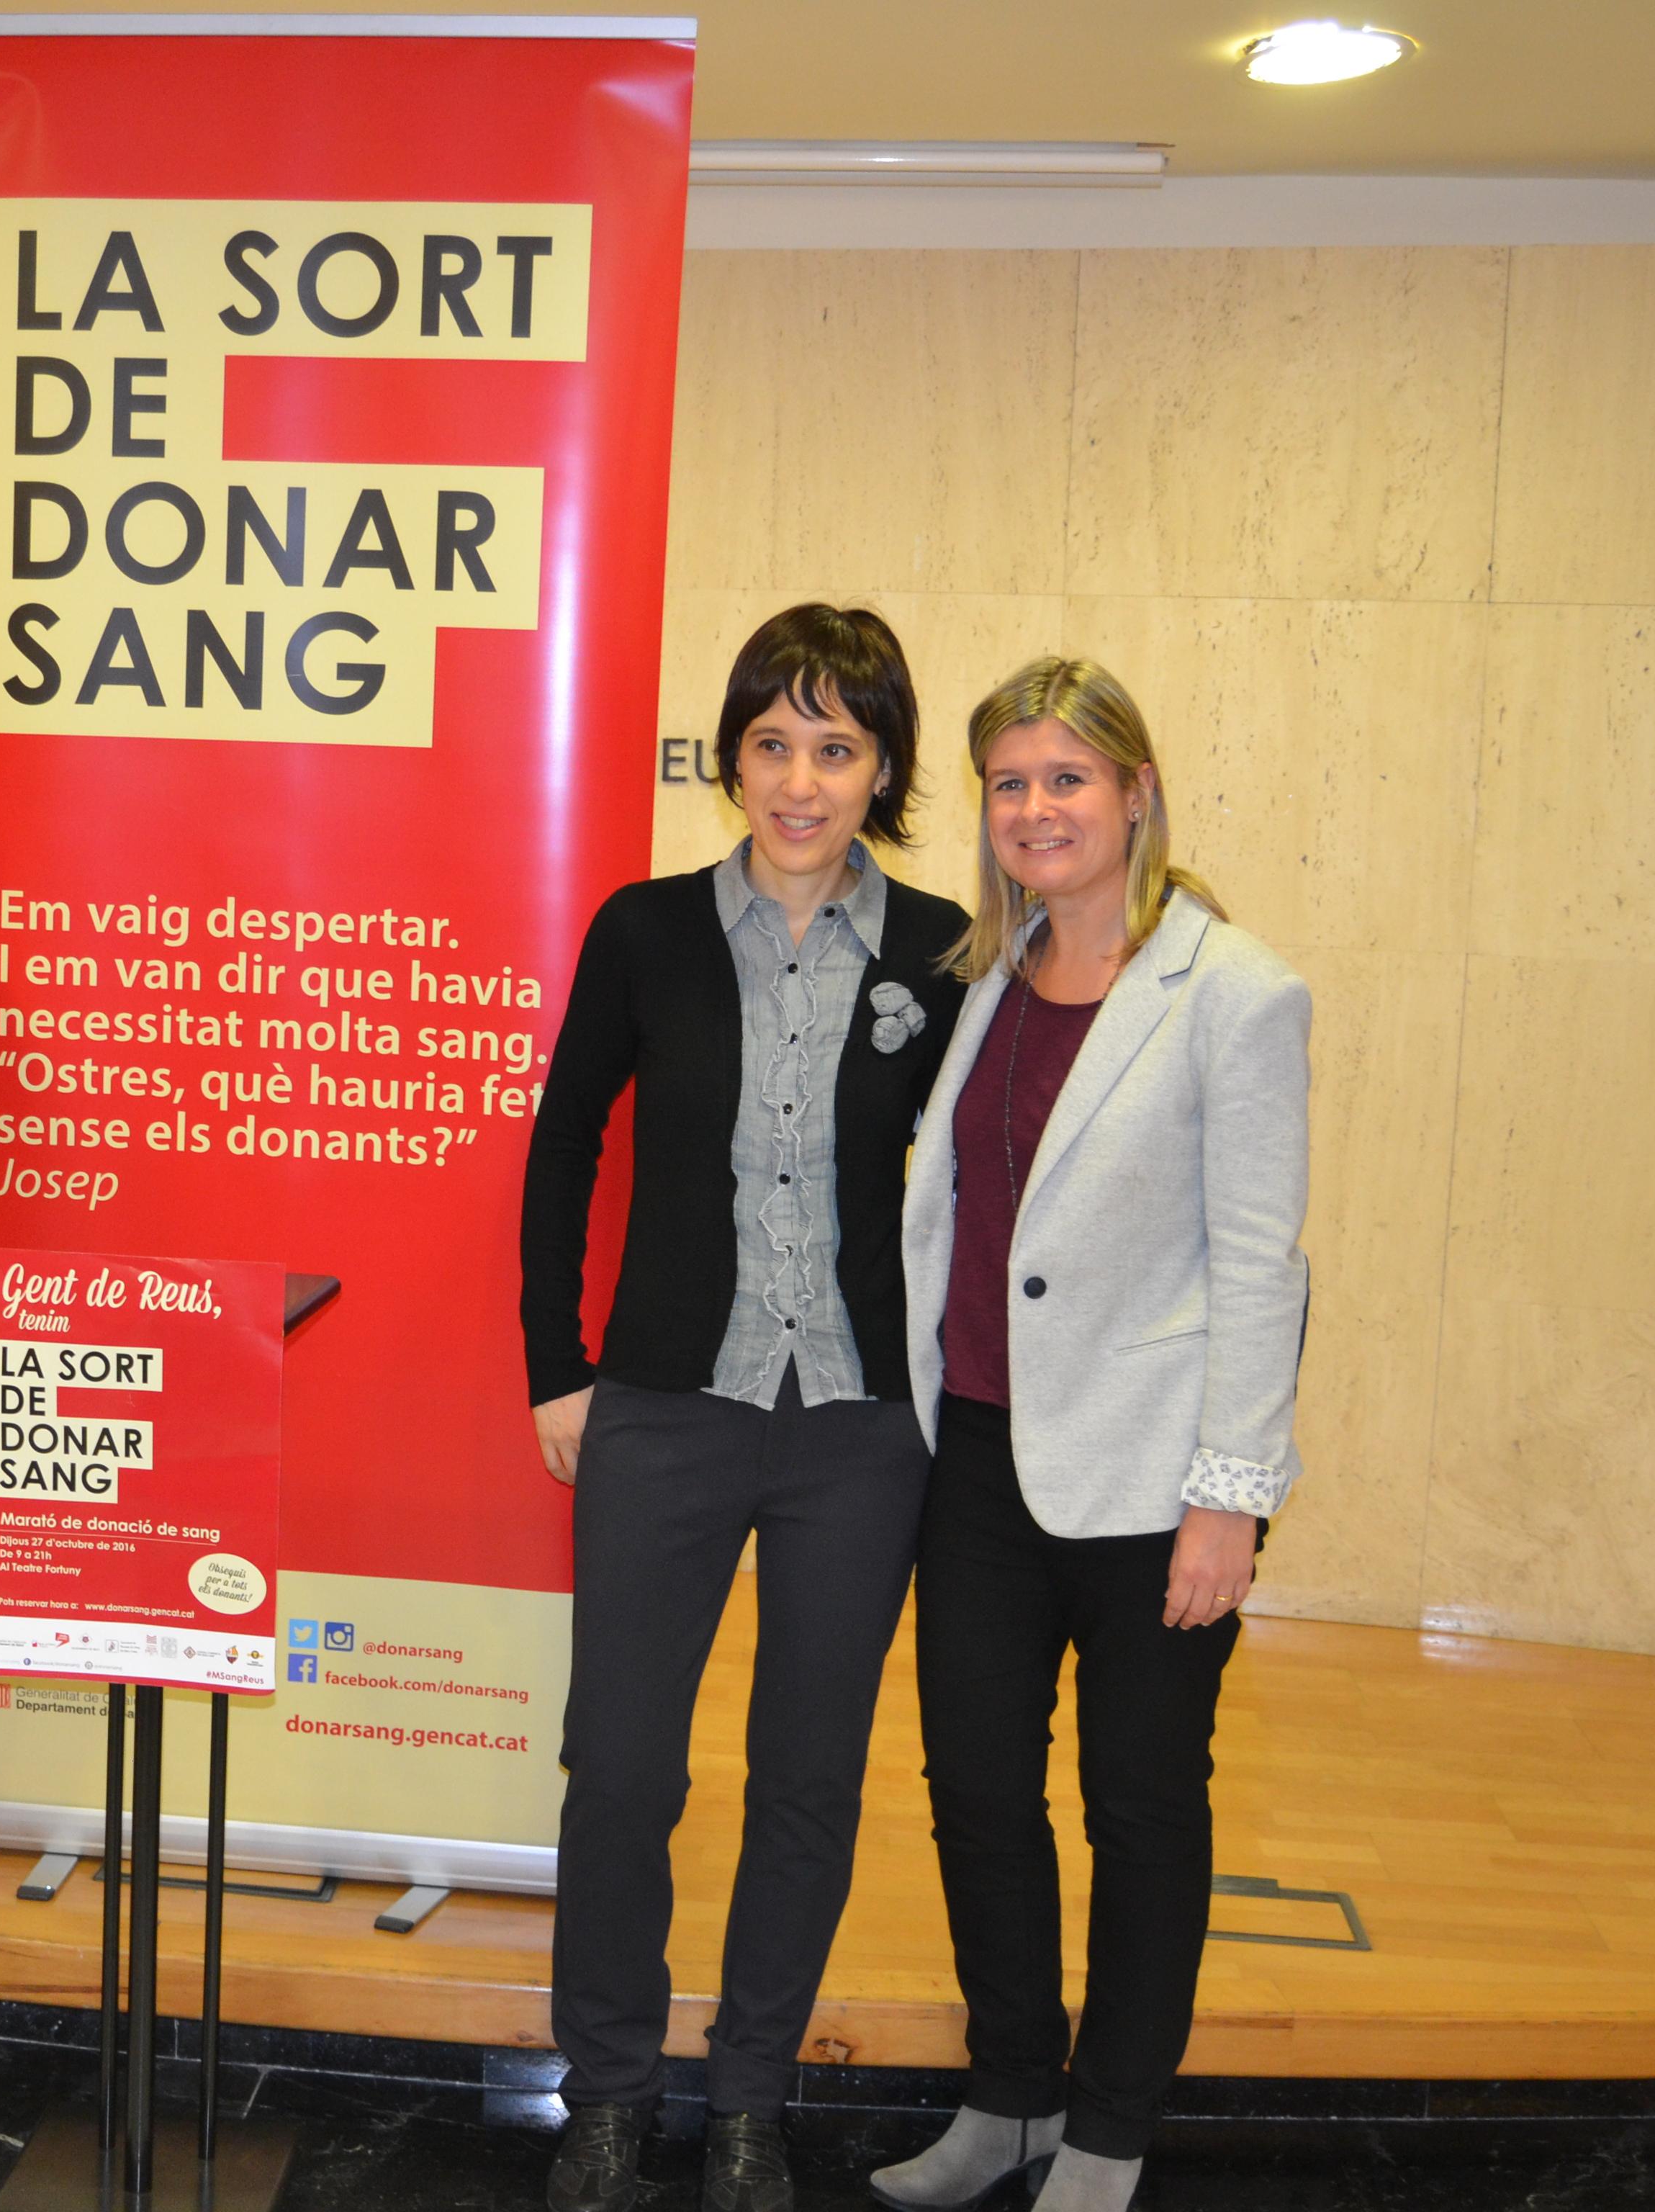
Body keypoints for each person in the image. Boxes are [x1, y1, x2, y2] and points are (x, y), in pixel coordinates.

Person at [520, 605, 971, 2212]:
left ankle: (752, 2104)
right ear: (733, 759)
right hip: (668, 1409)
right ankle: (607, 2098)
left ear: (882, 770)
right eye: (774, 744)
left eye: (836, 749)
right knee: (622, 1768)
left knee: (807, 1778)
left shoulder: (943, 951)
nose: (800, 781)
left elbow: (982, 1182)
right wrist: (556, 1364)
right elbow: (565, 1143)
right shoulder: (644, 931)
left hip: (859, 1428)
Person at [873, 659, 1309, 2212]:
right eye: (1010, 782)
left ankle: (1111, 2128)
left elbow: (1261, 1264)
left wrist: (1230, 1497)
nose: (1036, 808)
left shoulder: (1234, 991)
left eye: (1067, 778)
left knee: (1142, 1807)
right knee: (979, 1794)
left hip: (1153, 1480)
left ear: (1135, 792)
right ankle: (1009, 2096)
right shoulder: (985, 976)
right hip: (980, 1460)